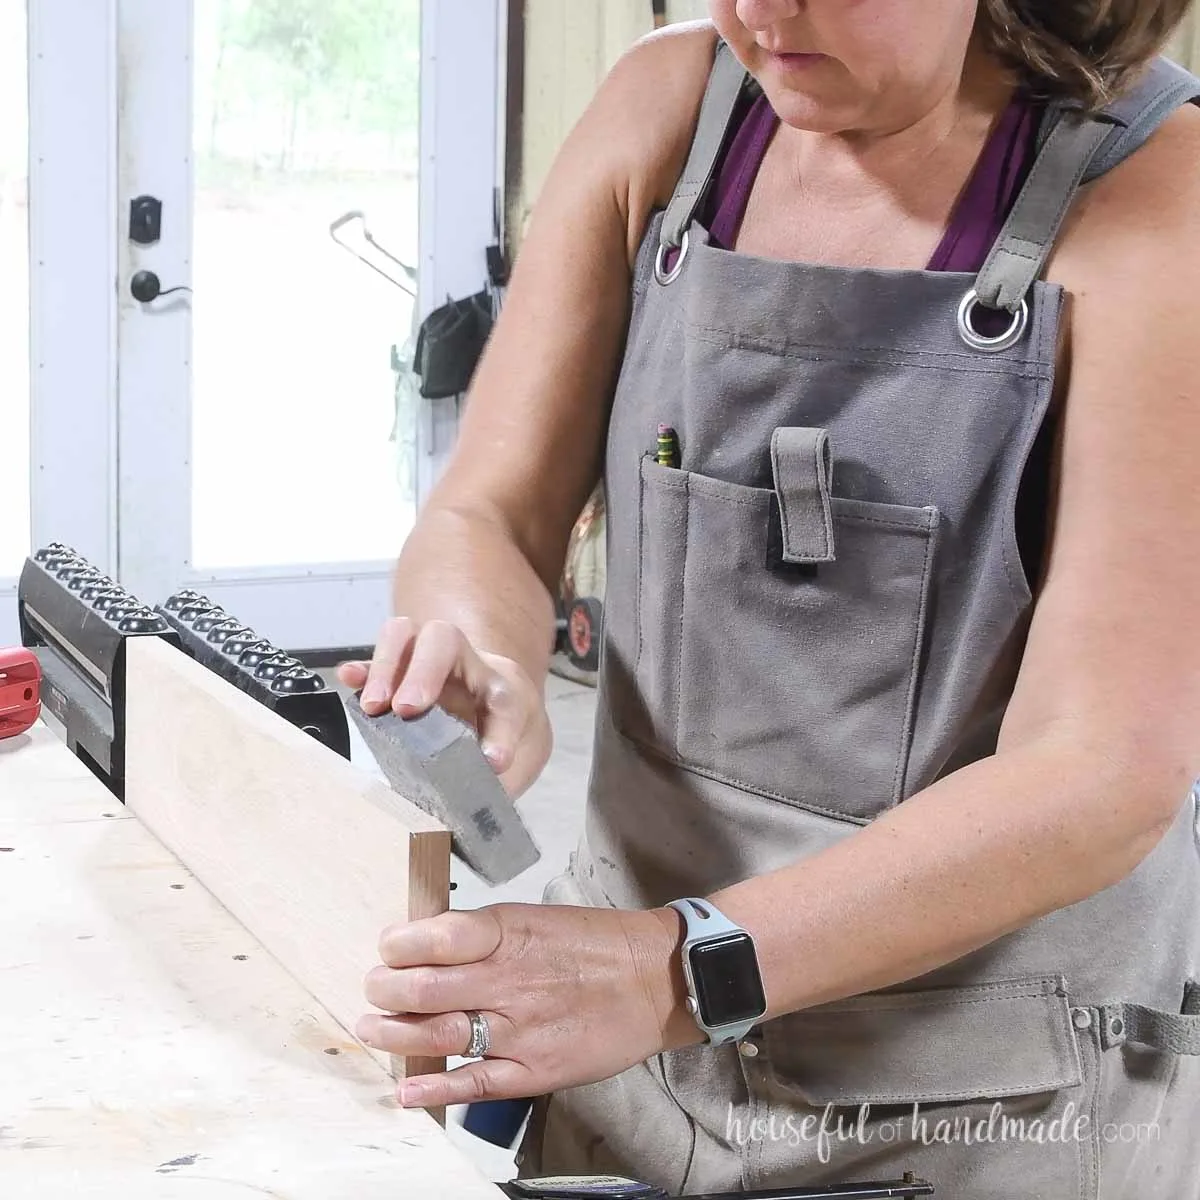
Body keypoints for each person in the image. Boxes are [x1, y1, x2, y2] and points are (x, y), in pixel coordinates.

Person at [338, 2, 1200, 1195]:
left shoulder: (1157, 195)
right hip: (629, 1064)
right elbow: (488, 510)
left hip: (974, 1114)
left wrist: (672, 973)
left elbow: (1102, 774)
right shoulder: (670, 108)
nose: (762, 12)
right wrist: (479, 642)